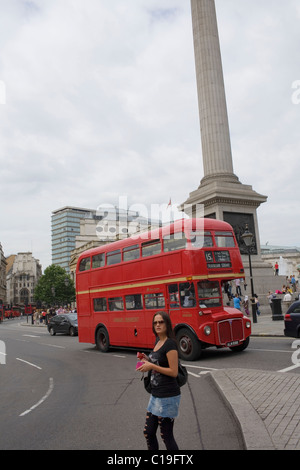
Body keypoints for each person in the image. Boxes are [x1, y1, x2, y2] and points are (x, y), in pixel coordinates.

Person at [137, 311, 180, 450]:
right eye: (155, 322)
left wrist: (152, 365)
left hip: (168, 395)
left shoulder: (170, 344)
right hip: (156, 394)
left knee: (166, 436)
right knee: (148, 432)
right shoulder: (158, 341)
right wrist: (147, 360)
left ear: (167, 324)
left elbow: (173, 372)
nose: (158, 325)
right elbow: (159, 361)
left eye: (161, 322)